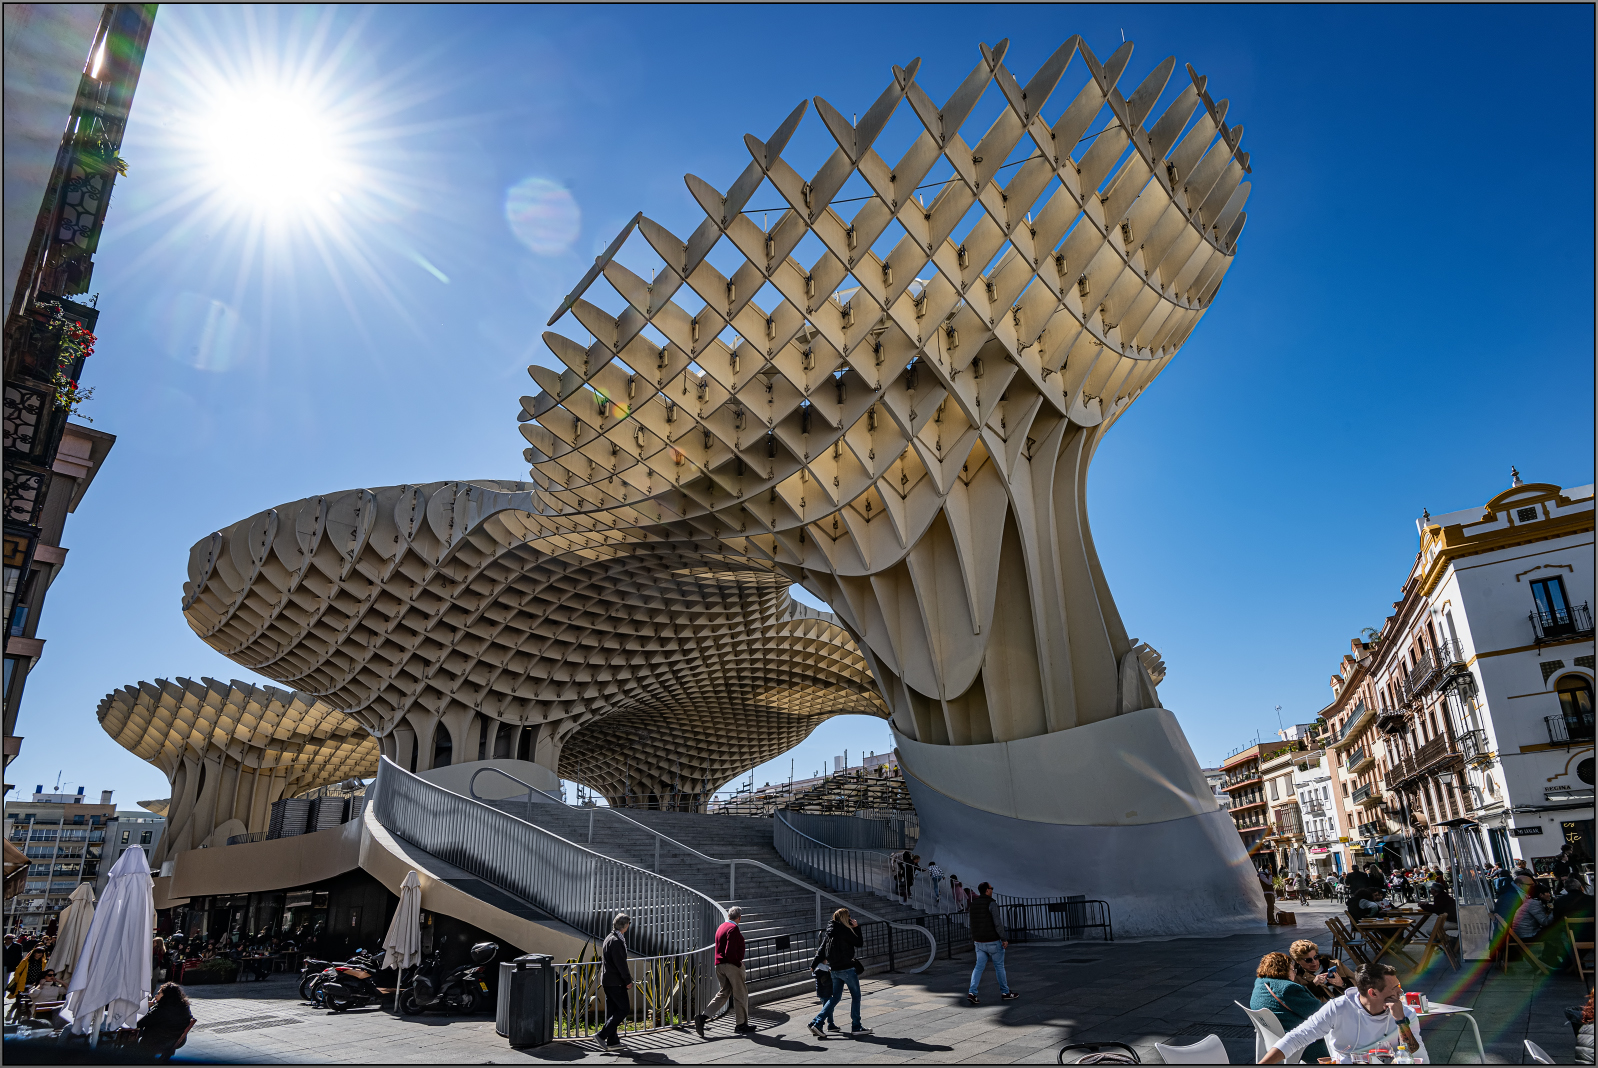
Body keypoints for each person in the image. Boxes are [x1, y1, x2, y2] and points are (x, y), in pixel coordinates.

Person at [1260, 962, 1428, 1063]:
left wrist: (1400, 1020)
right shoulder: (1338, 1008)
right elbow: (1297, 1037)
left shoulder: (1406, 1013)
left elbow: (1415, 1053)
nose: (1401, 993)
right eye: (1395, 989)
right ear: (1373, 993)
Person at [1250, 951, 1329, 1063]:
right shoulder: (1287, 989)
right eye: (1292, 969)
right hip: (1305, 1044)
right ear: (1283, 970)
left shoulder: (1260, 983)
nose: (1295, 973)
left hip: (1276, 1038)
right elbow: (1319, 1012)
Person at [808, 908, 869, 1038]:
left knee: (834, 998)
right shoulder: (845, 931)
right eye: (848, 917)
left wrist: (813, 964)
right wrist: (857, 927)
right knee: (856, 996)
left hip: (834, 969)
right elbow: (859, 943)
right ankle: (856, 1026)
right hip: (847, 968)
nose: (850, 919)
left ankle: (817, 1022)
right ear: (844, 918)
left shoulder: (829, 932)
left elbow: (821, 950)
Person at [695, 906, 752, 1036]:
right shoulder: (733, 928)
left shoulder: (721, 927)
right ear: (739, 917)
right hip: (731, 965)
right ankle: (741, 1025)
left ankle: (703, 1018)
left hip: (719, 965)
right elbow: (729, 951)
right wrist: (738, 963)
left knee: (724, 993)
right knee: (741, 994)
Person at [966, 882, 1018, 1005]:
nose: (992, 890)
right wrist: (1004, 938)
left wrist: (975, 937)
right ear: (987, 890)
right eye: (991, 888)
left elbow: (972, 923)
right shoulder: (991, 903)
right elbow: (998, 923)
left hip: (979, 941)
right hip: (992, 940)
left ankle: (972, 992)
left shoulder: (973, 904)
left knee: (978, 967)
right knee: (999, 966)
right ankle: (1005, 992)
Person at [595, 913, 634, 1050]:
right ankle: (602, 1035)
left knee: (612, 1011)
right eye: (628, 924)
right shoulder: (617, 941)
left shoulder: (610, 938)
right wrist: (627, 980)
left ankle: (613, 1041)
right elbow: (621, 964)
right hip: (615, 981)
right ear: (624, 926)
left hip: (607, 980)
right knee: (624, 1009)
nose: (628, 926)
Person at [136, 982, 195, 1062]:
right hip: (177, 1040)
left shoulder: (162, 1010)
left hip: (160, 1042)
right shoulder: (184, 1006)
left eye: (159, 993)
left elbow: (140, 1023)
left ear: (166, 995)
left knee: (135, 1035)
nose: (156, 996)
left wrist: (148, 1007)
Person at [1288, 939, 1354, 1002]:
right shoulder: (1297, 977)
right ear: (1298, 961)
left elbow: (1359, 984)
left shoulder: (1335, 964)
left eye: (1316, 957)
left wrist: (1342, 983)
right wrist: (1313, 985)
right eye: (1308, 960)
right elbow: (1300, 999)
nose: (1314, 962)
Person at [1512, 882, 1556, 951]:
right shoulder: (1534, 904)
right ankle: (1550, 957)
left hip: (1522, 933)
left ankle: (1548, 956)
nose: (1549, 894)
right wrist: (1556, 910)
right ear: (1541, 895)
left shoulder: (1530, 902)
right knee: (1556, 933)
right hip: (1527, 935)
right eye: (1547, 892)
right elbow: (1545, 922)